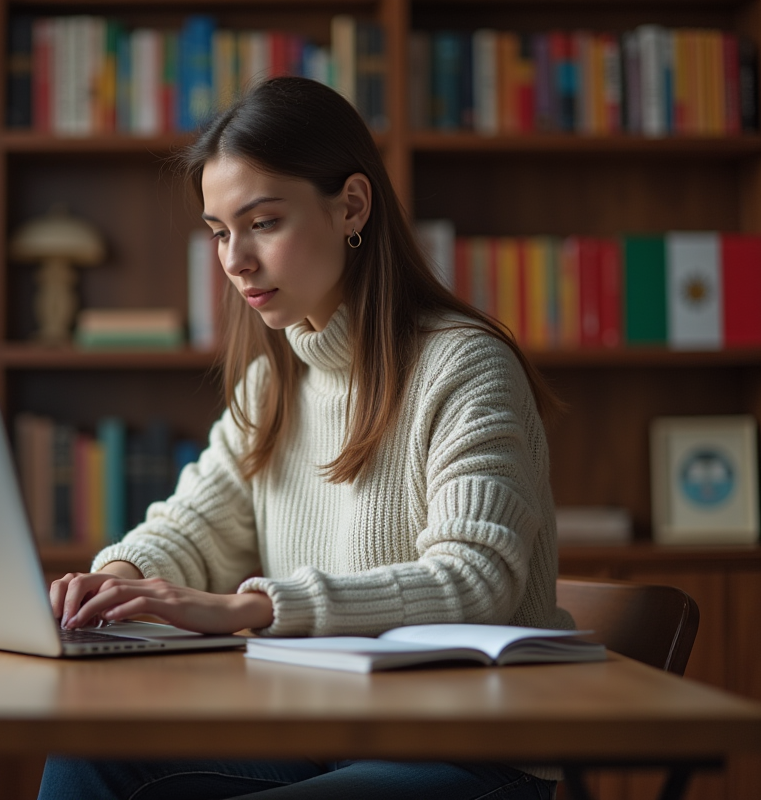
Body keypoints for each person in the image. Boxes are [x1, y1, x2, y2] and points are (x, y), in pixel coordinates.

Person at [40, 75, 570, 800]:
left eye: (262, 223)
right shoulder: (274, 383)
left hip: (470, 751)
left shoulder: (464, 364)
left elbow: (477, 581)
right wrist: (120, 582)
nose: (234, 261)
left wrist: (253, 606)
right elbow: (194, 529)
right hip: (323, 736)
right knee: (86, 758)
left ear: (351, 205)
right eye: (220, 232)